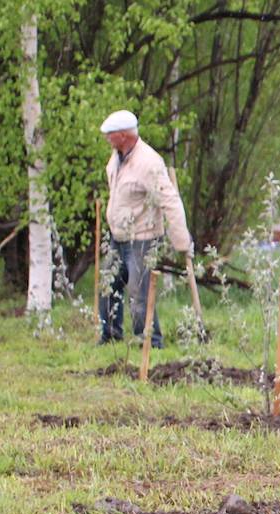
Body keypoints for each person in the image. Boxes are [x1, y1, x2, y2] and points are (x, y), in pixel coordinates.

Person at [98, 110, 192, 349]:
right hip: (118, 236)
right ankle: (110, 337)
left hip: (142, 238)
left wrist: (182, 241)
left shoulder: (149, 163)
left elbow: (170, 200)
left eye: (110, 135)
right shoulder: (116, 157)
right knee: (107, 285)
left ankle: (150, 343)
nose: (107, 139)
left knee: (139, 294)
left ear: (123, 135)